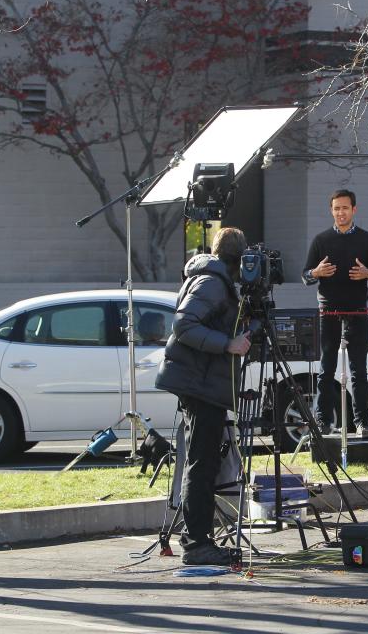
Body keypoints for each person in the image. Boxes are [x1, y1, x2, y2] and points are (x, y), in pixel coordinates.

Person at [155, 227, 251, 566]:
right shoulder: (212, 282)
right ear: (237, 258)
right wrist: (228, 344)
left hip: (202, 383)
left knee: (203, 460)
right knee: (201, 462)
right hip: (199, 385)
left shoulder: (214, 279)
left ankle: (196, 539)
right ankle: (196, 543)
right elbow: (183, 326)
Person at [303, 189, 368, 438]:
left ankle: (362, 423)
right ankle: (323, 422)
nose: (341, 213)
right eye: (336, 208)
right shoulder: (320, 240)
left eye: (345, 208)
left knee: (359, 371)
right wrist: (316, 273)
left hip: (357, 311)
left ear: (354, 210)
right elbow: (305, 276)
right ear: (331, 211)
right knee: (326, 370)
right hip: (327, 312)